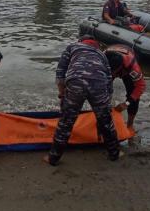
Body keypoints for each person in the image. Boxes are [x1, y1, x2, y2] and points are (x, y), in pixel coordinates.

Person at [45, 35, 120, 165]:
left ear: (81, 41)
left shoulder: (72, 47)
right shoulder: (101, 54)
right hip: (99, 84)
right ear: (95, 45)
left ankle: (53, 158)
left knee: (66, 122)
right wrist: (106, 103)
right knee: (106, 121)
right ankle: (114, 154)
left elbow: (60, 72)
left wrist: (62, 93)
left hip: (76, 82)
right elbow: (109, 79)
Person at [104, 44, 146, 129]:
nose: (112, 75)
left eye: (114, 73)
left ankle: (130, 125)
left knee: (133, 97)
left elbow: (141, 87)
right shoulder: (100, 60)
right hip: (111, 54)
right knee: (103, 91)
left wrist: (126, 103)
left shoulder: (132, 68)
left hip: (127, 58)